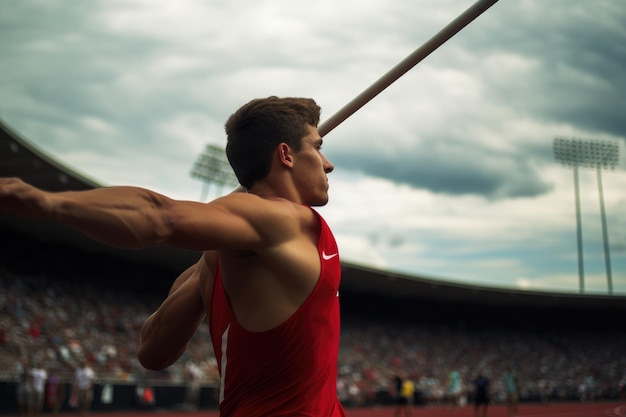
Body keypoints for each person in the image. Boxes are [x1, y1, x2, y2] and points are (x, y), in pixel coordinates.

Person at [0, 96, 342, 417]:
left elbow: (153, 351)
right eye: (317, 146)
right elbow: (164, 216)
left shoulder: (213, 260)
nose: (327, 165)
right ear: (286, 155)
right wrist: (48, 203)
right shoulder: (284, 220)